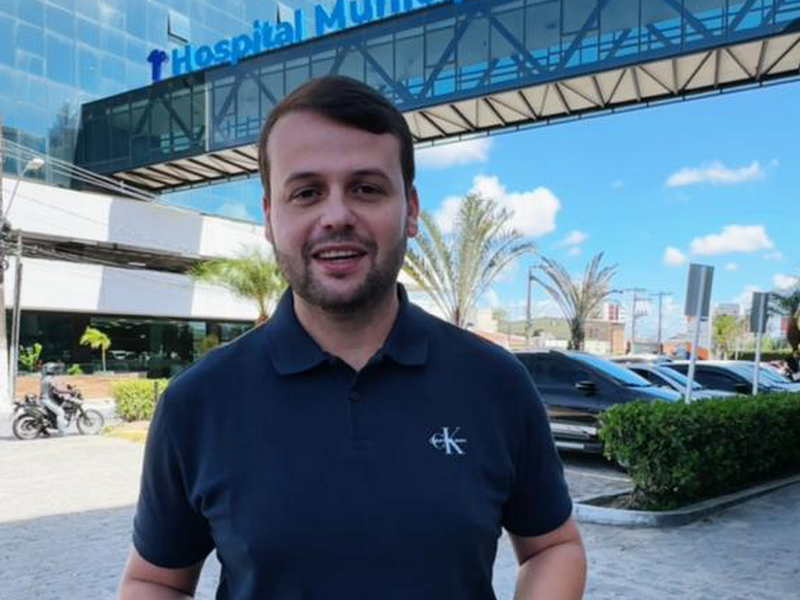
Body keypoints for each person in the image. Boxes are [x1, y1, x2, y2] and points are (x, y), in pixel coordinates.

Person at [118, 76, 586, 600]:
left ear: (411, 210)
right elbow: (153, 580)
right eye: (306, 192)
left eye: (366, 188)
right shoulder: (196, 402)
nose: (336, 216)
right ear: (270, 218)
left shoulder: (495, 382)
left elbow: (553, 547)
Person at [40, 362, 69, 436]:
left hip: (43, 399)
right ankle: (61, 432)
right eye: (55, 369)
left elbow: (52, 389)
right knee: (61, 412)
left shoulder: (44, 378)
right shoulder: (50, 379)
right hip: (47, 400)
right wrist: (69, 391)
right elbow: (57, 390)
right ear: (52, 370)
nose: (56, 371)